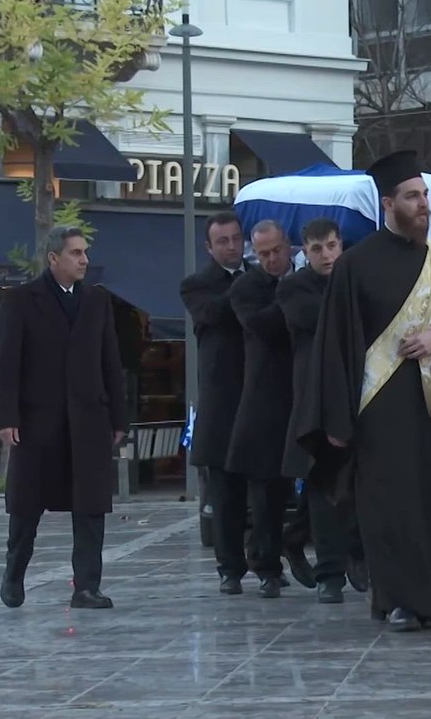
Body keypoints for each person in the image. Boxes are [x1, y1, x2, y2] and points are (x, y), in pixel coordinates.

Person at [297, 150, 431, 632]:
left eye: (424, 196)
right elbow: (334, 347)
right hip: (379, 412)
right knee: (390, 508)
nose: (423, 205)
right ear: (388, 204)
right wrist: (336, 421)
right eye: (412, 196)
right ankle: (398, 599)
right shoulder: (355, 266)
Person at [0, 226, 127, 609]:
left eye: (84, 252)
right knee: (26, 505)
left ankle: (86, 587)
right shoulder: (21, 300)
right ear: (53, 258)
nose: (84, 260)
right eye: (75, 253)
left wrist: (118, 417)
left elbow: (110, 362)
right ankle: (14, 573)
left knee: (90, 506)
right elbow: (6, 364)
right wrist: (7, 416)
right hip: (39, 421)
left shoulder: (97, 301)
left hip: (88, 419)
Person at [278, 218, 368, 603]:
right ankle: (331, 572)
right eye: (317, 249)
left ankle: (311, 544)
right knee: (322, 482)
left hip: (354, 393)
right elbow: (317, 319)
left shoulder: (355, 282)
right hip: (314, 399)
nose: (326, 254)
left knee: (348, 483)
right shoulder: (293, 288)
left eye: (331, 246)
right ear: (305, 251)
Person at [179, 212, 252, 594]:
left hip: (259, 398)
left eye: (236, 238)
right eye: (222, 241)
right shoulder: (197, 285)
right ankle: (230, 568)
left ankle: (268, 562)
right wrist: (251, 286)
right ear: (209, 247)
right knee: (224, 495)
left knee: (266, 489)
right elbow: (215, 313)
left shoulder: (257, 278)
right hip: (222, 404)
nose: (232, 246)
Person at [225, 219, 297, 599]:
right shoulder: (246, 287)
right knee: (266, 491)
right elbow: (261, 326)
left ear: (289, 245)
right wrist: (291, 296)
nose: (271, 259)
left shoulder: (308, 278)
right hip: (266, 400)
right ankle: (267, 566)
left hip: (304, 393)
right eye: (263, 254)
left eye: (277, 251)